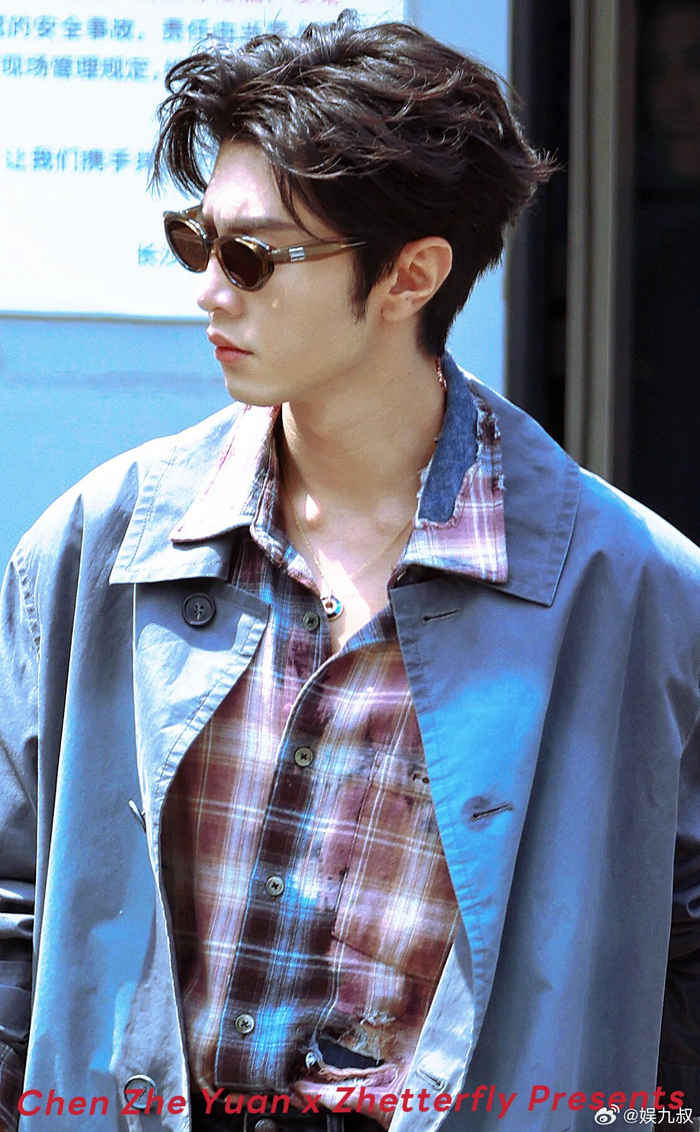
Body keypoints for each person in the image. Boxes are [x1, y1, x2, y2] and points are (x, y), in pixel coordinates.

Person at [1, 11, 699, 1132]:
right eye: (196, 240)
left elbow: (678, 959)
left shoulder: (631, 592)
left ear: (412, 275)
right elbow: (17, 912)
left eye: (252, 256)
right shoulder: (95, 550)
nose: (208, 290)